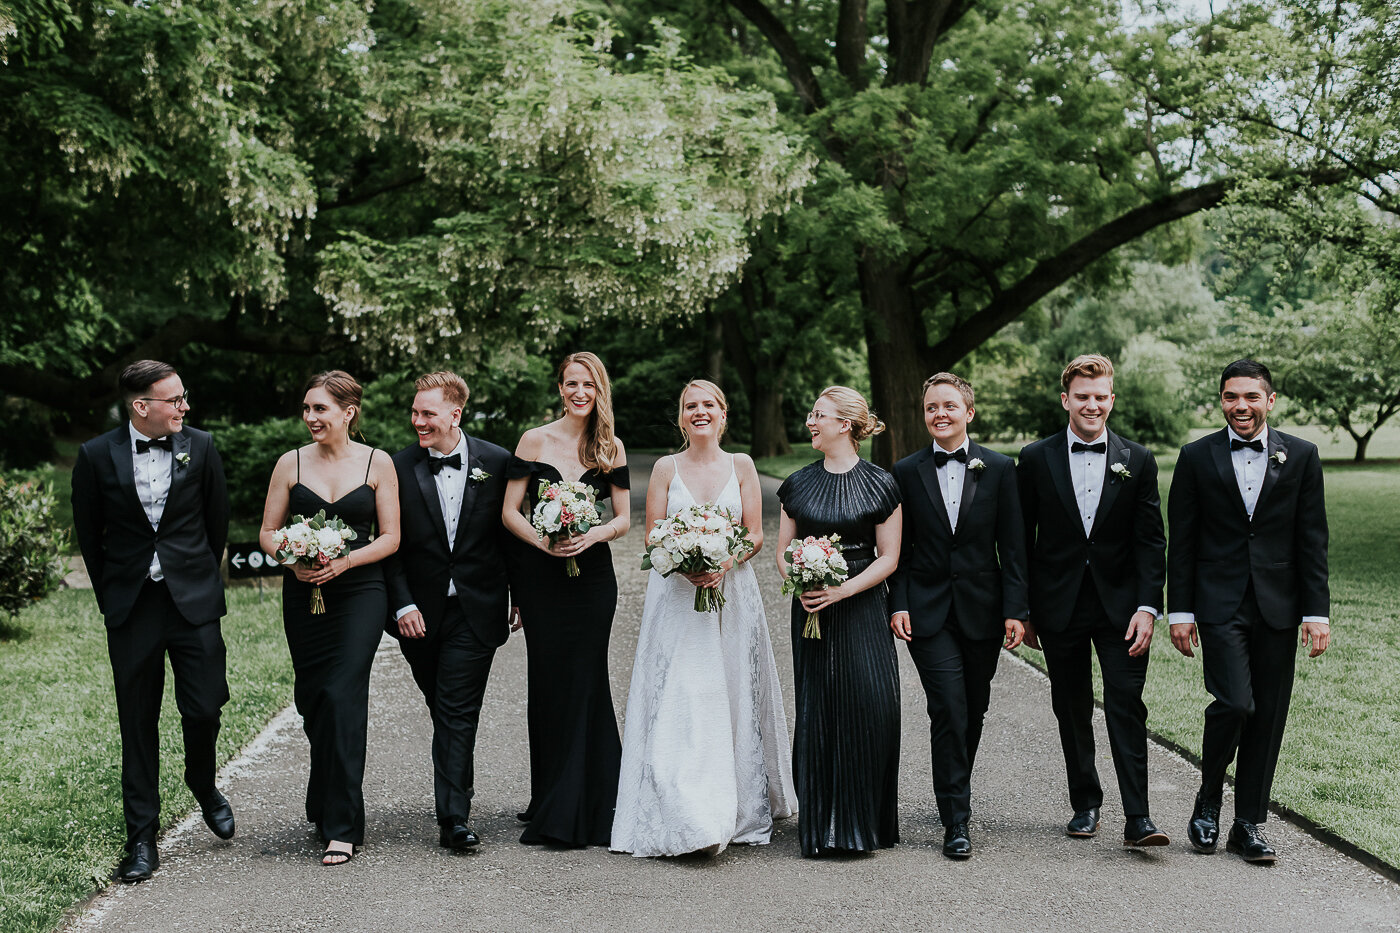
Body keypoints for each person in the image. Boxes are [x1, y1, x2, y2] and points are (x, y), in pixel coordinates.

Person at [612, 380, 796, 857]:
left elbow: (754, 534)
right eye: (690, 406)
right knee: (683, 693)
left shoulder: (743, 466)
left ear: (722, 414)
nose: (699, 412)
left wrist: (723, 562)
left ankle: (732, 806)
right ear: (681, 417)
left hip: (732, 595)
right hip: (675, 600)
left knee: (730, 693)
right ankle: (687, 812)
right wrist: (684, 558)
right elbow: (652, 534)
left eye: (708, 405)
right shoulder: (663, 468)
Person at [71, 360, 235, 883]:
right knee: (136, 723)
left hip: (193, 604)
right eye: (176, 400)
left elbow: (217, 523)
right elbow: (89, 535)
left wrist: (200, 581)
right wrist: (113, 598)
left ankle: (202, 781)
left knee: (206, 706)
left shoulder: (201, 447)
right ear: (142, 407)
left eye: (185, 398)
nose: (185, 407)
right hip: (133, 608)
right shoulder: (96, 455)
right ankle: (141, 838)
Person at [1168, 359, 1330, 864]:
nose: (1241, 406)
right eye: (1231, 397)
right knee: (1236, 704)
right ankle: (1208, 799)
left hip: (1279, 606)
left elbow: (1312, 540)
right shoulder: (1197, 457)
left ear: (1270, 400)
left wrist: (1316, 613)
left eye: (1251, 397)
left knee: (1269, 717)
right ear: (1221, 400)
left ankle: (1248, 824)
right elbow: (1184, 541)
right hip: (1219, 604)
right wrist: (1180, 612)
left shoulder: (1301, 456)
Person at [1016, 355, 1168, 846]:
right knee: (1072, 707)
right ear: (1066, 400)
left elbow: (1151, 542)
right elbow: (1019, 540)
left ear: (1112, 399)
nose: (1092, 405)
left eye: (1101, 396)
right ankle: (1085, 802)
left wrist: (1148, 607)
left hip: (1122, 609)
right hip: (1058, 606)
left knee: (1126, 705)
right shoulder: (1036, 458)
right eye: (1083, 396)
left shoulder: (1138, 460)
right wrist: (1023, 610)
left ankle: (1139, 817)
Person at [259, 371, 400, 865]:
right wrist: (293, 559)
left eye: (320, 409)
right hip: (303, 595)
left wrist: (345, 560)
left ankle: (342, 825)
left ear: (348, 412)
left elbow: (390, 537)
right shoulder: (290, 463)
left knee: (342, 696)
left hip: (361, 591)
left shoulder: (378, 462)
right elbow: (268, 532)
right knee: (314, 699)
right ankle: (323, 797)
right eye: (306, 409)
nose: (311, 418)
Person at [888, 372, 1028, 859]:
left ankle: (954, 785)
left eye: (949, 406)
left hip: (982, 610)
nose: (939, 414)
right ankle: (957, 820)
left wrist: (1016, 610)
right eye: (931, 408)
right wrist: (899, 601)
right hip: (926, 610)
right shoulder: (904, 471)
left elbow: (1013, 547)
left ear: (969, 412)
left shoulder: (1000, 467)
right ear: (923, 414)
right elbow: (898, 549)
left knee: (973, 707)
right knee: (947, 706)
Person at [384, 372, 516, 852]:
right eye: (415, 412)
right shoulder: (395, 468)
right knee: (442, 707)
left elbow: (509, 538)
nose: (418, 421)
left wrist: (517, 595)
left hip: (477, 609)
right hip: (416, 612)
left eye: (428, 414)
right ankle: (458, 784)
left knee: (458, 710)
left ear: (455, 414)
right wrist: (401, 602)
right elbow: (389, 546)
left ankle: (453, 819)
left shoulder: (498, 462)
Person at [502, 351, 630, 847]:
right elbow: (511, 511)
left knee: (587, 678)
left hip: (593, 578)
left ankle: (594, 799)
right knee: (549, 681)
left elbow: (622, 518)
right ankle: (549, 793)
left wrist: (592, 535)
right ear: (560, 388)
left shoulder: (610, 446)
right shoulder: (534, 439)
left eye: (589, 385)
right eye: (572, 383)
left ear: (600, 392)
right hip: (542, 576)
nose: (580, 392)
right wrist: (542, 540)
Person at [776, 386, 902, 858]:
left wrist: (843, 589)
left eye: (818, 415)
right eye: (811, 414)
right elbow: (782, 552)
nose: (810, 422)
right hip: (810, 610)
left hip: (862, 606)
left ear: (844, 425)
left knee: (871, 705)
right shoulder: (797, 483)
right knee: (818, 706)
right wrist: (803, 581)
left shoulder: (882, 483)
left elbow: (888, 557)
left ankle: (865, 824)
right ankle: (822, 825)